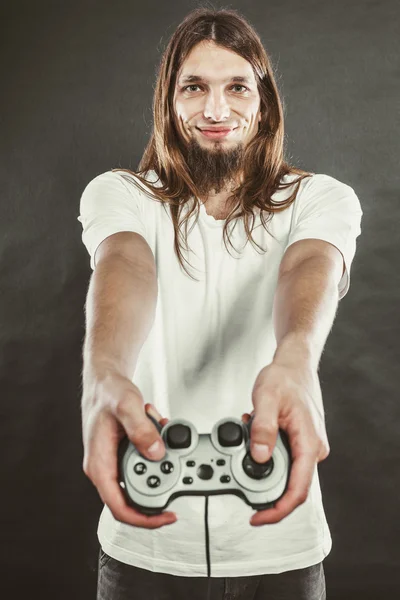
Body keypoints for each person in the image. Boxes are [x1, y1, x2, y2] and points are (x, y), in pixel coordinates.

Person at [77, 7, 363, 600]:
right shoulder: (121, 194)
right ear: (169, 101)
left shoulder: (320, 198)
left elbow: (309, 266)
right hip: (146, 549)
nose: (215, 109)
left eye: (236, 87)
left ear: (264, 102)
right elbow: (126, 263)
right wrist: (102, 373)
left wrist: (296, 359)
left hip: (282, 547)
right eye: (194, 87)